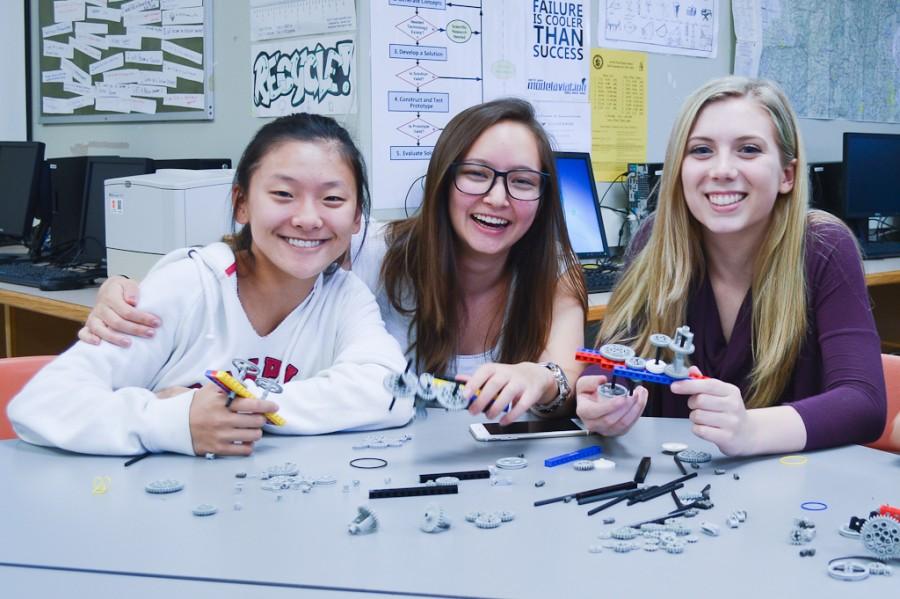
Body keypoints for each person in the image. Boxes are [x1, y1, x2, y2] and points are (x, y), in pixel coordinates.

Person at [78, 99, 588, 425]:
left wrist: (540, 378)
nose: (497, 198)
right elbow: (257, 256)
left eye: (522, 182)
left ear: (544, 197)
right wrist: (128, 287)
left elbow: (562, 380)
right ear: (441, 180)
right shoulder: (375, 250)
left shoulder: (555, 275)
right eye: (476, 174)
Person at [8, 113, 412, 457]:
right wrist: (172, 422)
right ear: (241, 203)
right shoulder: (188, 285)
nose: (308, 218)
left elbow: (390, 394)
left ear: (358, 216)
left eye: (333, 200)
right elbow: (42, 404)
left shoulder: (345, 296)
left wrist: (226, 412)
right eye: (284, 194)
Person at [576, 76, 886, 456]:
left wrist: (751, 429)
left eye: (749, 149)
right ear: (679, 168)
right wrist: (601, 397)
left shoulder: (824, 247)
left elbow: (864, 403)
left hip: (788, 487)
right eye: (702, 150)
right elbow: (614, 357)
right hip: (667, 481)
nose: (721, 169)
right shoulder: (654, 241)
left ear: (787, 175)